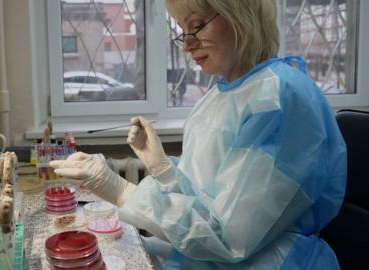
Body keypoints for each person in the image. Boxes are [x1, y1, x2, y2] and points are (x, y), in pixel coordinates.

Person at [49, 0, 347, 269]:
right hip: (208, 255)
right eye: (182, 30)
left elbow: (227, 236)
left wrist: (120, 190)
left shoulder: (276, 98)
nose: (187, 44)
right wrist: (164, 170)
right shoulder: (222, 93)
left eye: (197, 25)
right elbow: (206, 199)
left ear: (242, 13)